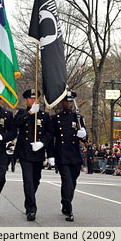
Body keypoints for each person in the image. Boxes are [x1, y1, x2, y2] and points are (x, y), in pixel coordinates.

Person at [14, 89, 53, 221]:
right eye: (30, 98)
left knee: (36, 180)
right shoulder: (22, 113)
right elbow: (16, 124)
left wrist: (42, 143)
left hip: (38, 153)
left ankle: (28, 199)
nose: (33, 100)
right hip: (25, 153)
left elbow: (49, 133)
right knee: (28, 181)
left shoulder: (45, 116)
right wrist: (30, 113)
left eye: (35, 98)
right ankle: (31, 209)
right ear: (26, 100)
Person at [49, 91, 87, 222]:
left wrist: (84, 134)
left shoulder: (78, 118)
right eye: (66, 101)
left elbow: (85, 138)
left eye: (70, 101)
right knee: (67, 182)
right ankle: (69, 210)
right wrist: (51, 156)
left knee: (73, 182)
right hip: (62, 155)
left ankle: (65, 202)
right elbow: (51, 139)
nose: (69, 103)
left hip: (75, 156)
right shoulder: (55, 118)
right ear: (62, 102)